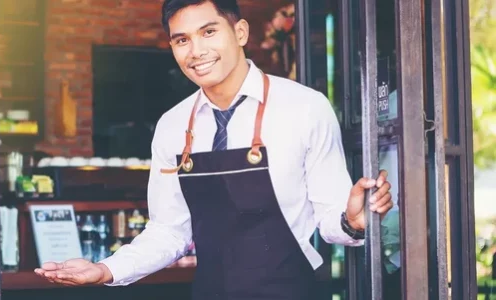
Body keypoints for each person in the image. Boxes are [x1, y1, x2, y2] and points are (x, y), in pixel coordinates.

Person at [34, 0, 394, 298]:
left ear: (240, 32)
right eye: (182, 40)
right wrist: (104, 269)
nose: (197, 51)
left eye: (209, 32)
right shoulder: (173, 126)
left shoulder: (304, 108)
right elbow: (170, 232)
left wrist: (353, 222)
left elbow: (330, 218)